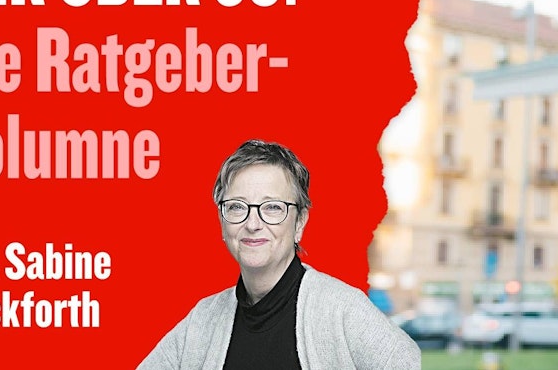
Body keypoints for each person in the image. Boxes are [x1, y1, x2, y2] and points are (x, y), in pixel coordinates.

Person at [140, 140, 419, 369]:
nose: (252, 223)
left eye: (272, 207)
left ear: (299, 222)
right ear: (222, 220)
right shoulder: (203, 320)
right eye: (237, 207)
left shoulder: (342, 309)